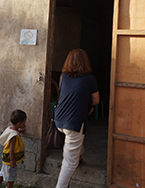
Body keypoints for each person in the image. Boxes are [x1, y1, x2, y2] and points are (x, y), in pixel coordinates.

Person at [54, 49, 99, 188]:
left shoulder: (63, 77)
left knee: (74, 141)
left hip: (59, 119)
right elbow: (96, 100)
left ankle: (78, 156)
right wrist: (88, 106)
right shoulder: (90, 78)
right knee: (69, 163)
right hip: (73, 123)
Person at [0, 109, 27, 188]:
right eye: (24, 122)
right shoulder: (14, 136)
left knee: (2, 171)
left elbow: (14, 132)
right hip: (10, 159)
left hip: (6, 157)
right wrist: (12, 161)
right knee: (11, 176)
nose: (25, 124)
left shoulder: (10, 129)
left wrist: (19, 130)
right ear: (19, 123)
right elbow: (11, 149)